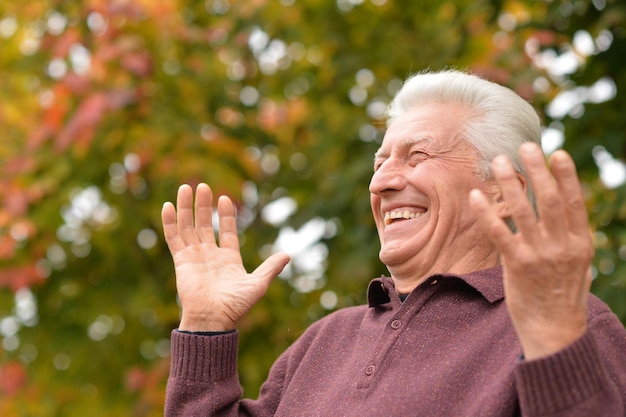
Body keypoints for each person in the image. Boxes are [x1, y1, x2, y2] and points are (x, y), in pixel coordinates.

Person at [161, 70, 626, 416]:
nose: (381, 181)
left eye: (416, 155)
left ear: (503, 190)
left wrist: (555, 345)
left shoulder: (571, 324)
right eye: (380, 161)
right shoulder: (323, 343)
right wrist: (203, 330)